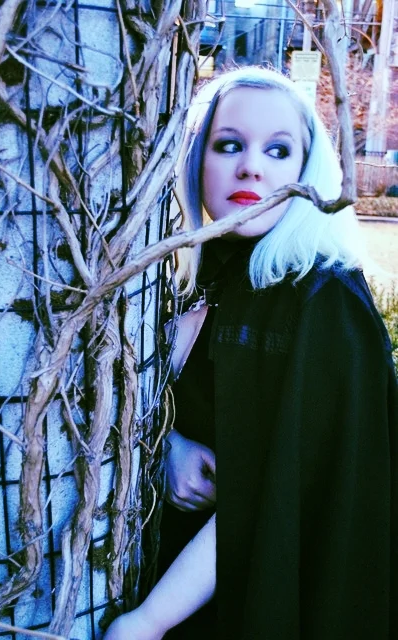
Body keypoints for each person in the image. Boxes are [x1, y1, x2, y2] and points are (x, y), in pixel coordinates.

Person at [105, 66, 398, 639]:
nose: (251, 167)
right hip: (162, 577)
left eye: (278, 150)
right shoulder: (187, 278)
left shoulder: (322, 301)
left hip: (254, 606)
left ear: (307, 172)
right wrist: (167, 446)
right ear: (196, 160)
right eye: (229, 145)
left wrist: (149, 621)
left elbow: (277, 492)